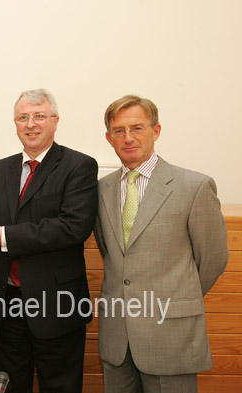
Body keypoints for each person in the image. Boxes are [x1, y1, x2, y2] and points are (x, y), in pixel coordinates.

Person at [0, 88, 98, 392]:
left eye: (39, 116)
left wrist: (4, 236)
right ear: (15, 123)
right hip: (4, 308)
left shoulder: (79, 167)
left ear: (55, 121)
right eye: (23, 118)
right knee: (7, 387)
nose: (31, 124)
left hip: (57, 306)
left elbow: (73, 227)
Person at [94, 95, 229, 393]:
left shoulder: (193, 186)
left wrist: (178, 297)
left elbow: (214, 258)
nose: (128, 138)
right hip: (117, 335)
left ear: (155, 131)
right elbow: (112, 252)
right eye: (119, 131)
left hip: (170, 332)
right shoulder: (101, 190)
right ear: (109, 138)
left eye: (137, 128)